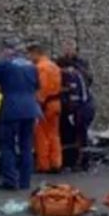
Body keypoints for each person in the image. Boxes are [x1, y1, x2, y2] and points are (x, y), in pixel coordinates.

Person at [0, 41, 40, 190]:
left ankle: (10, 181)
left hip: (12, 110)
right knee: (26, 146)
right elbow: (37, 86)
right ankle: (25, 182)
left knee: (7, 146)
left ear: (7, 52)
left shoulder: (4, 65)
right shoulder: (31, 66)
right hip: (31, 109)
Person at [57, 41, 94, 170]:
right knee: (66, 130)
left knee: (81, 132)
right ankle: (69, 158)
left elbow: (87, 80)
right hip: (67, 104)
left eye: (70, 48)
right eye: (65, 48)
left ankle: (83, 160)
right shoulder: (59, 63)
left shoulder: (80, 66)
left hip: (81, 105)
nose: (67, 50)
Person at [28, 42, 63, 173]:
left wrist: (37, 104)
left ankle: (44, 165)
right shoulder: (54, 66)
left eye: (30, 54)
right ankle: (56, 163)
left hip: (45, 105)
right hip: (56, 103)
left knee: (41, 134)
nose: (29, 58)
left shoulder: (40, 68)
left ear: (36, 53)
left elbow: (41, 89)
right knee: (54, 134)